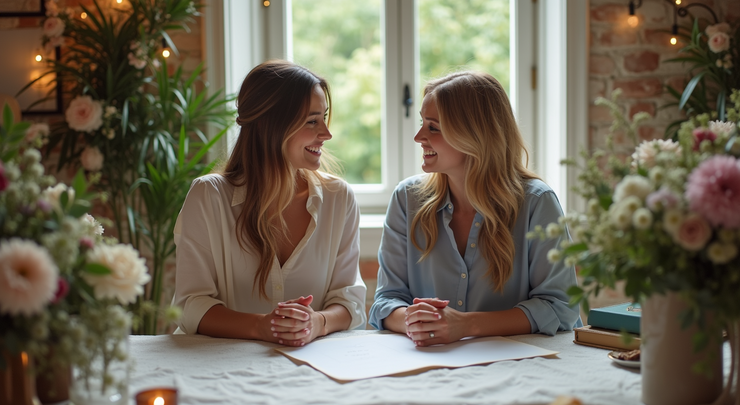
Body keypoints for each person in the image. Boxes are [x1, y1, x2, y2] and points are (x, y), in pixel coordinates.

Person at [368, 71, 581, 346]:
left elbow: (560, 308)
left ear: (473, 135)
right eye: (423, 123)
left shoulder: (537, 203)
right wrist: (414, 319)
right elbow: (385, 301)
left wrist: (466, 325)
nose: (419, 136)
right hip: (435, 366)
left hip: (522, 366)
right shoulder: (406, 199)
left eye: (433, 127)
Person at [173, 60, 366, 346]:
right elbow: (191, 305)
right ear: (269, 125)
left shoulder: (339, 199)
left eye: (324, 118)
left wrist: (318, 322)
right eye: (312, 121)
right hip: (220, 368)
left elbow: (349, 300)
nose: (326, 133)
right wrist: (262, 326)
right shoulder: (208, 197)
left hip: (312, 368)